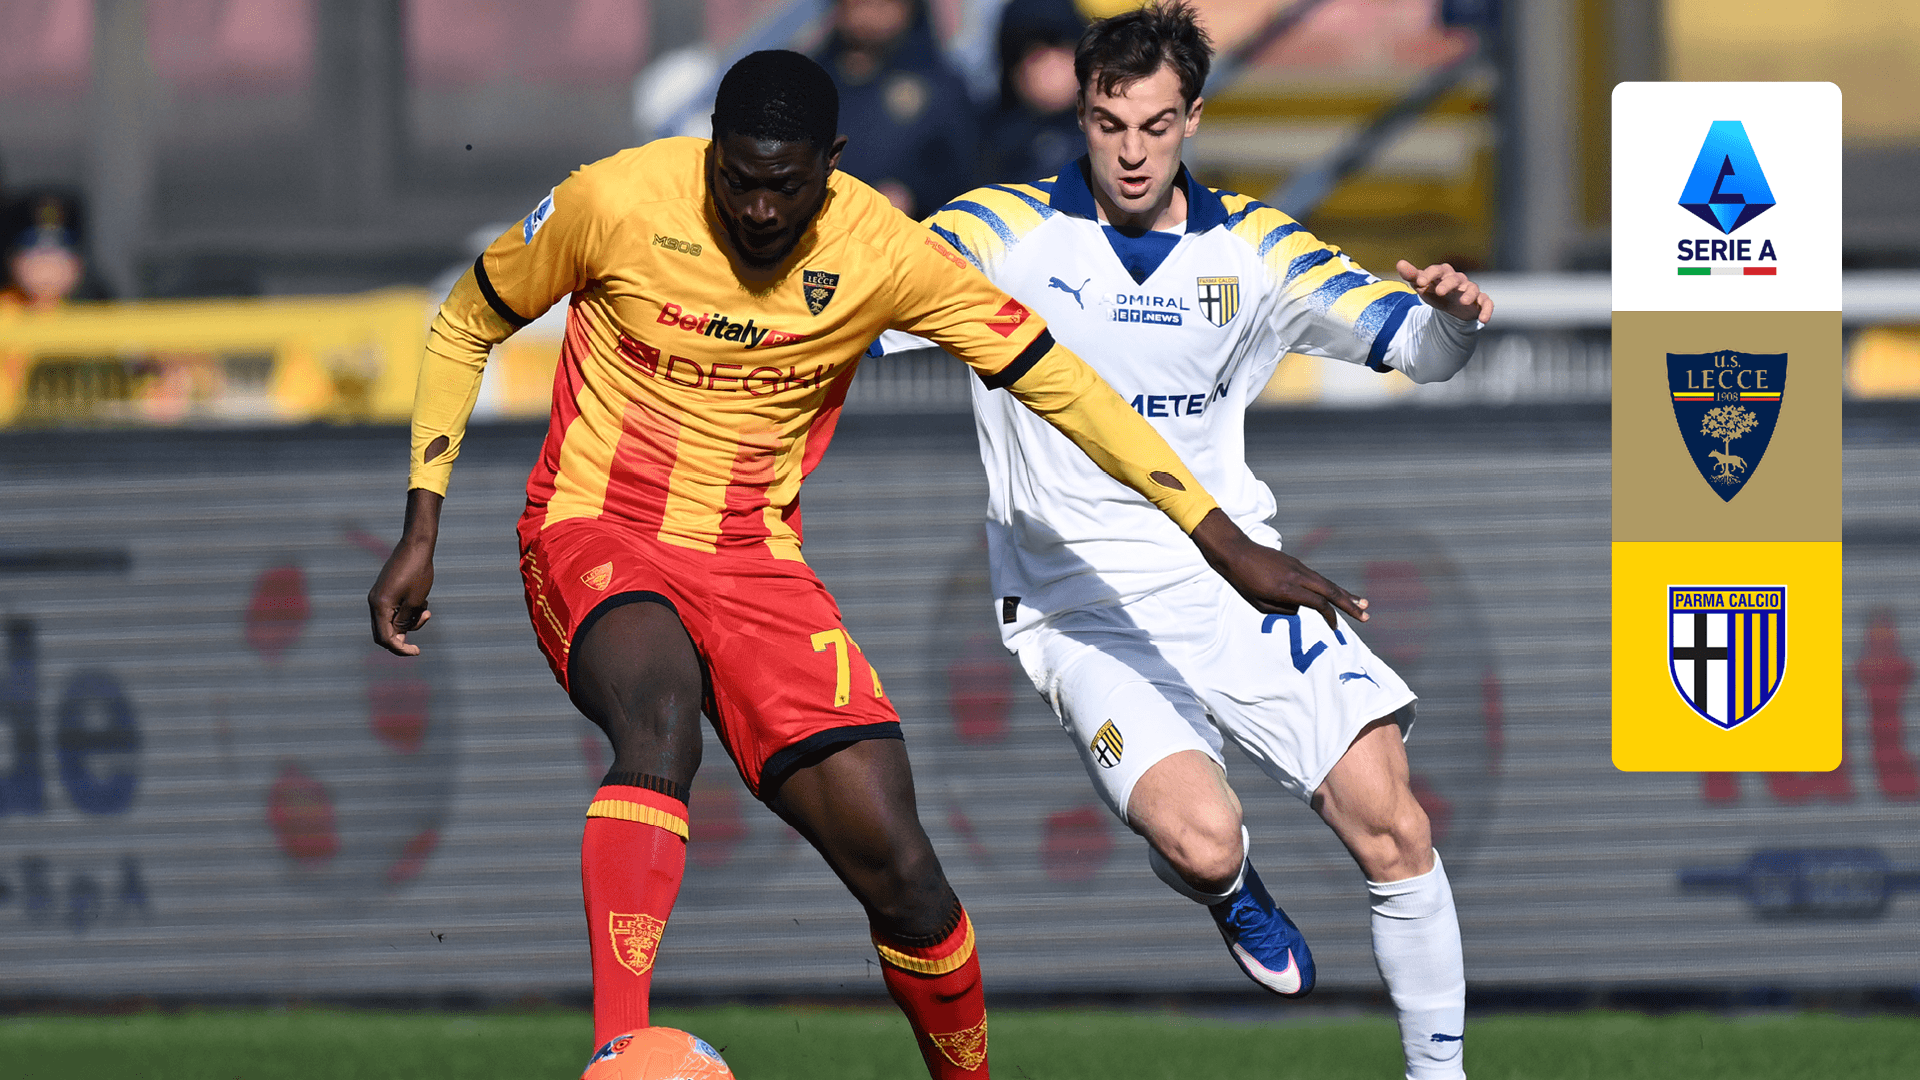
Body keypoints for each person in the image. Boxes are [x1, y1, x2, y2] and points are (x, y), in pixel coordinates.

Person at [368, 49, 1378, 1080]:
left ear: (834, 162)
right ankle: (618, 1054)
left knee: (902, 870)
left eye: (785, 184)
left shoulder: (885, 252)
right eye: (737, 178)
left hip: (755, 563)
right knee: (659, 720)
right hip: (597, 526)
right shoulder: (613, 201)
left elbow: (1064, 385)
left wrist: (1221, 538)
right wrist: (421, 527)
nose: (759, 209)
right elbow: (466, 321)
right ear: (711, 150)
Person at [924, 5, 1491, 1078]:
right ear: (1081, 118)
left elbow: (1421, 348)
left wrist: (1454, 318)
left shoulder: (1257, 250)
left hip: (1233, 584)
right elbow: (858, 297)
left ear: (1193, 119)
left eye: (1155, 125)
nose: (1132, 152)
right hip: (1080, 609)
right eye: (1110, 125)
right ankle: (1229, 889)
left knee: (1393, 823)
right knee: (1201, 840)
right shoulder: (997, 232)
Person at [816, 0, 977, 217]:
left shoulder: (940, 86)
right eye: (856, 3)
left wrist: (912, 195)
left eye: (883, 4)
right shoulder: (809, 80)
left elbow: (965, 173)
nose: (867, 14)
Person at [978, 0, 1085, 187]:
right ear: (1013, 67)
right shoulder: (987, 141)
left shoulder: (1112, 128)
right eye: (1036, 52)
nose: (1052, 65)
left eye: (1062, 47)